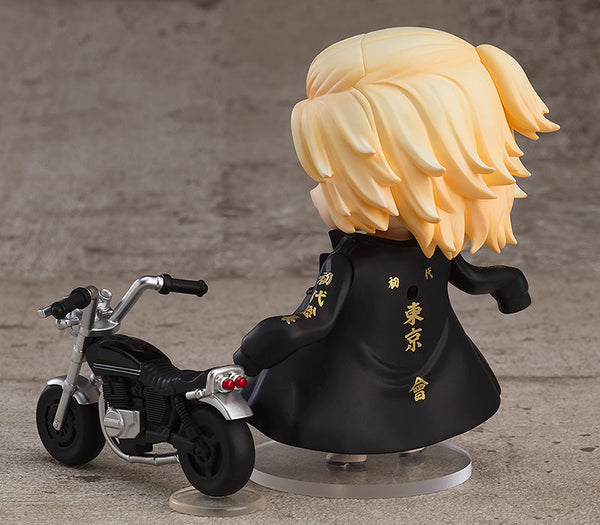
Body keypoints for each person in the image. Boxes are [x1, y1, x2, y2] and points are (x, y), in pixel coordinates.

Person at [233, 27, 559, 454]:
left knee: (368, 415)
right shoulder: (363, 257)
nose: (321, 193)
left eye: (338, 176)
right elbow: (316, 318)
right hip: (364, 376)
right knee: (357, 420)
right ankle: (368, 447)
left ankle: (394, 441)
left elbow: (313, 320)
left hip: (407, 370)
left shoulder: (422, 248)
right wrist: (510, 285)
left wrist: (256, 349)